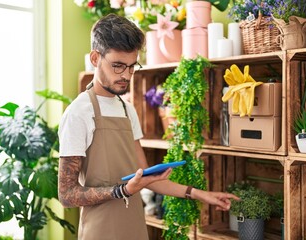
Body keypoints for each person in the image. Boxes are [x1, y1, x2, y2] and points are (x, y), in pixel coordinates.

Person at [58, 13, 240, 240]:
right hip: (100, 230)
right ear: (95, 59)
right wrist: (122, 190)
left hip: (134, 225)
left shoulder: (126, 109)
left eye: (132, 67)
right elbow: (67, 194)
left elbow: (147, 179)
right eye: (117, 66)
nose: (126, 75)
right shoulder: (78, 113)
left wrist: (201, 194)